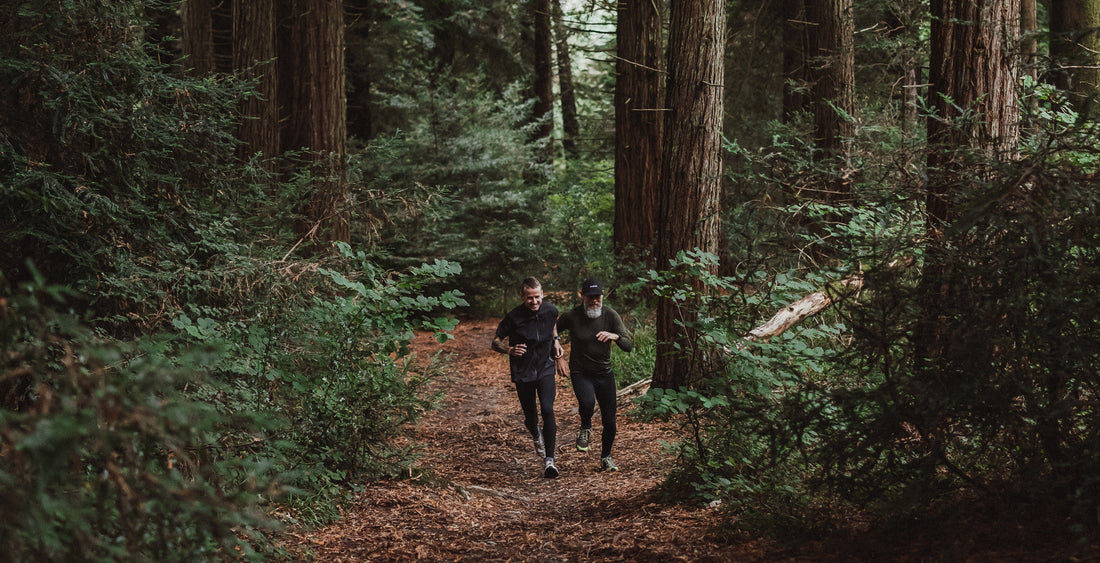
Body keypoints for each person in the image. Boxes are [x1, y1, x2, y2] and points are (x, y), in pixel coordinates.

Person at [556, 277, 633, 471]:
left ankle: (606, 457)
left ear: (602, 295)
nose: (594, 301)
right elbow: (552, 328)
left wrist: (614, 336)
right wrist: (557, 352)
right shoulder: (572, 316)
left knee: (610, 422)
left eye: (597, 296)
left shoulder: (610, 315)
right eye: (590, 297)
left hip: (604, 373)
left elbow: (628, 345)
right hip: (581, 372)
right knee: (588, 403)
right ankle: (586, 426)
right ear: (582, 296)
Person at [492, 276, 565, 478]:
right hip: (523, 371)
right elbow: (495, 342)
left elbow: (552, 325)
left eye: (537, 297)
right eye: (529, 298)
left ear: (543, 294)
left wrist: (557, 342)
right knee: (530, 416)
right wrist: (509, 349)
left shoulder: (551, 310)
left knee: (548, 409)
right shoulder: (514, 317)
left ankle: (549, 460)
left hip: (545, 367)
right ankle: (535, 433)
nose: (534, 302)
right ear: (522, 296)